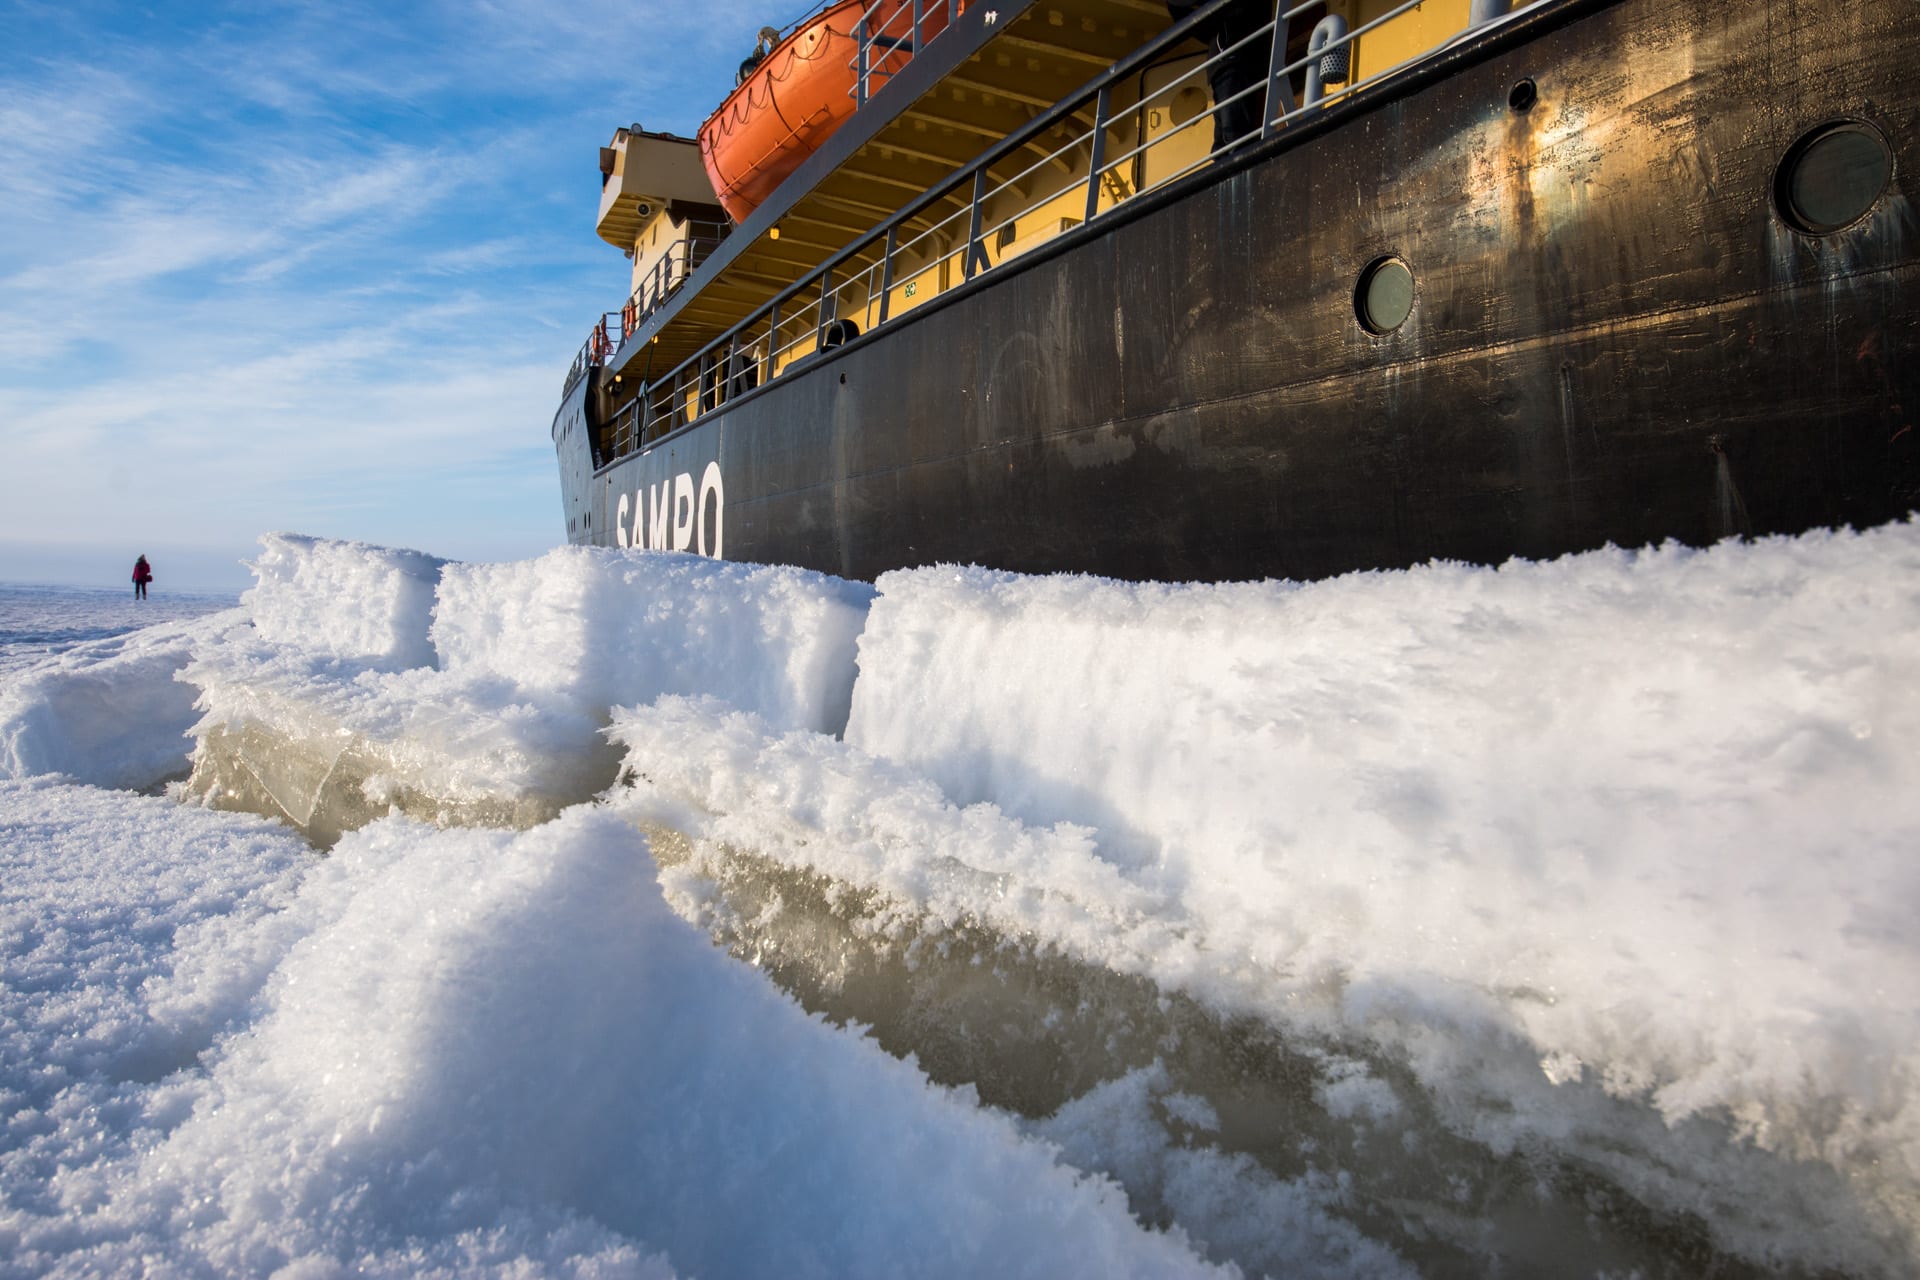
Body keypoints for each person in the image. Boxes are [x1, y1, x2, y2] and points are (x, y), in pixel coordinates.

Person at [1166, 0, 1277, 152]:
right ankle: (1233, 172)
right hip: (1226, 62)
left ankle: (1241, 172)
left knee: (1234, 136)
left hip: (1235, 60)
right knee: (1223, 145)